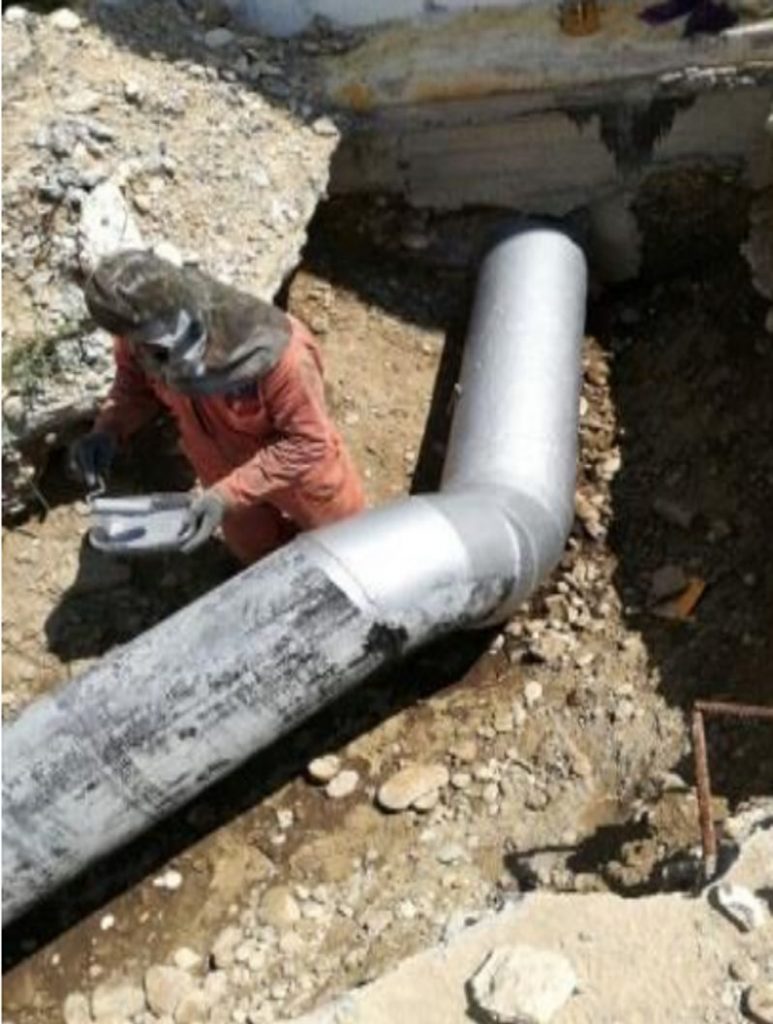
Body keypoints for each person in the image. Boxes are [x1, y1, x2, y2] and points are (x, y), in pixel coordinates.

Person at [70, 249, 366, 564]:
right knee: (256, 554)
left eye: (165, 345)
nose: (158, 357)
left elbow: (307, 443)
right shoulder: (140, 333)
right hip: (220, 472)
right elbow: (134, 387)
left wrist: (228, 495)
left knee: (348, 549)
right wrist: (108, 428)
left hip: (296, 473)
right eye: (146, 347)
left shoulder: (283, 358)